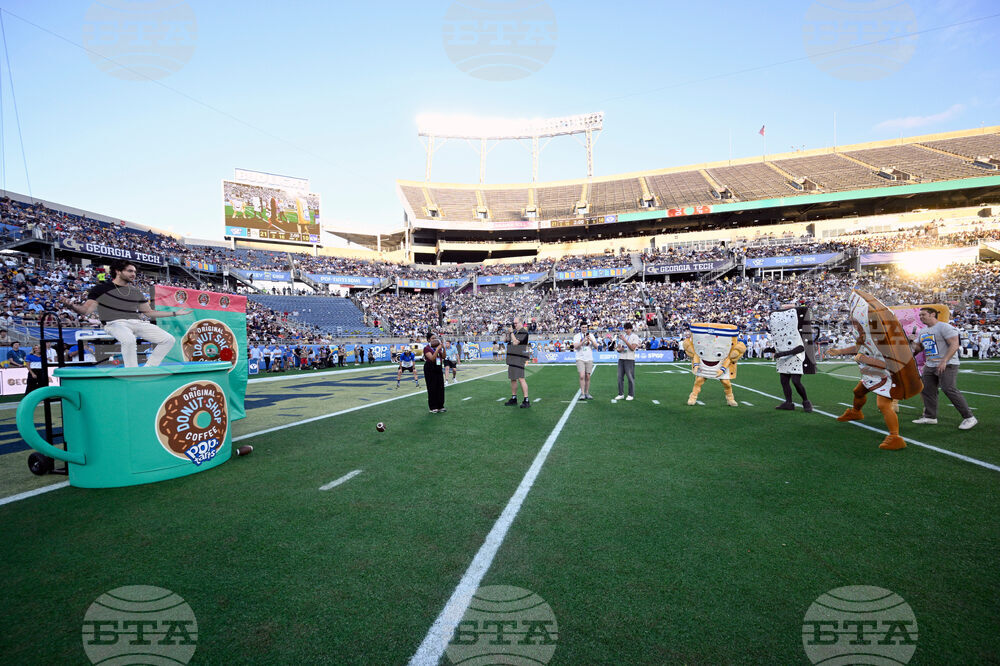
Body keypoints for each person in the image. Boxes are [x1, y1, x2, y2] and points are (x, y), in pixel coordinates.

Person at [61, 260, 190, 367]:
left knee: (168, 339)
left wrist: (175, 313)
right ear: (118, 271)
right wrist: (72, 306)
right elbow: (86, 310)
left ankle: (148, 369)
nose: (133, 274)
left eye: (134, 271)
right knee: (129, 340)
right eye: (130, 271)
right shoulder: (101, 288)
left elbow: (149, 312)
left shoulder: (135, 291)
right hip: (114, 323)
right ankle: (131, 372)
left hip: (137, 322)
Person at [910, 307, 977, 430]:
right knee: (927, 390)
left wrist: (944, 360)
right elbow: (919, 349)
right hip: (930, 364)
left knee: (948, 388)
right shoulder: (923, 331)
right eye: (920, 315)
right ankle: (930, 416)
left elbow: (954, 344)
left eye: (923, 314)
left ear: (932, 314)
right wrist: (912, 343)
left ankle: (969, 417)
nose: (921, 317)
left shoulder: (944, 327)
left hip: (948, 363)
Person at [503, 317, 530, 408]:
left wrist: (511, 332)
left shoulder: (524, 332)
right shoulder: (514, 332)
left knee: (521, 378)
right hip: (512, 357)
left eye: (516, 323)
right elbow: (505, 341)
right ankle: (514, 398)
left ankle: (526, 400)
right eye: (513, 323)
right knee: (513, 378)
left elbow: (515, 343)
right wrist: (508, 332)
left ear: (521, 323)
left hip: (519, 357)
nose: (514, 325)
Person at [614, 322, 641, 401]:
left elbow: (633, 348)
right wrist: (619, 349)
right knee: (619, 377)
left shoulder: (634, 337)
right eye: (625, 329)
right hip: (621, 358)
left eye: (627, 329)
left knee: (630, 377)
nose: (626, 331)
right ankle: (620, 394)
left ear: (631, 329)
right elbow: (618, 348)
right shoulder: (623, 336)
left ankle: (631, 394)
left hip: (630, 359)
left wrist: (625, 340)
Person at [572, 322, 598, 400]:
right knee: (582, 376)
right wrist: (583, 341)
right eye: (583, 327)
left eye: (585, 327)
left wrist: (591, 340)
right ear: (580, 328)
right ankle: (582, 393)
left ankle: (587, 393)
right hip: (580, 358)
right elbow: (576, 347)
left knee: (588, 376)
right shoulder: (576, 336)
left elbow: (596, 346)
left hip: (589, 358)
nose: (584, 328)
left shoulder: (591, 335)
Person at [423, 332, 447, 413]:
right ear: (429, 339)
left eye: (435, 338)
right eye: (433, 338)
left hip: (438, 367)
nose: (435, 340)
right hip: (430, 368)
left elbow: (443, 357)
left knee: (440, 387)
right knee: (432, 387)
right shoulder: (426, 348)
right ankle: (433, 407)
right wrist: (437, 349)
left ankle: (440, 405)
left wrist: (443, 348)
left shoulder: (438, 348)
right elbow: (432, 359)